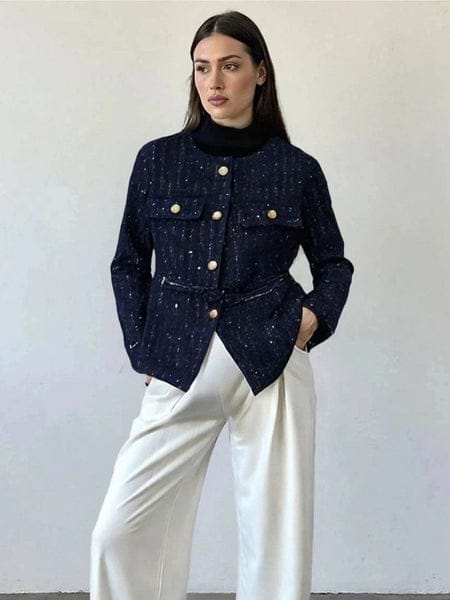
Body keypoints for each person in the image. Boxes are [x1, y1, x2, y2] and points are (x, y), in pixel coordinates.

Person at [90, 10, 354, 600]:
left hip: (272, 360)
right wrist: (141, 349)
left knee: (277, 536)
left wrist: (310, 321)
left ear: (260, 72)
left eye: (230, 66)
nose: (214, 81)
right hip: (177, 361)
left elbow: (334, 263)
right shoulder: (157, 160)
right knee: (120, 532)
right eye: (202, 68)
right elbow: (128, 262)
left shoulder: (297, 170)